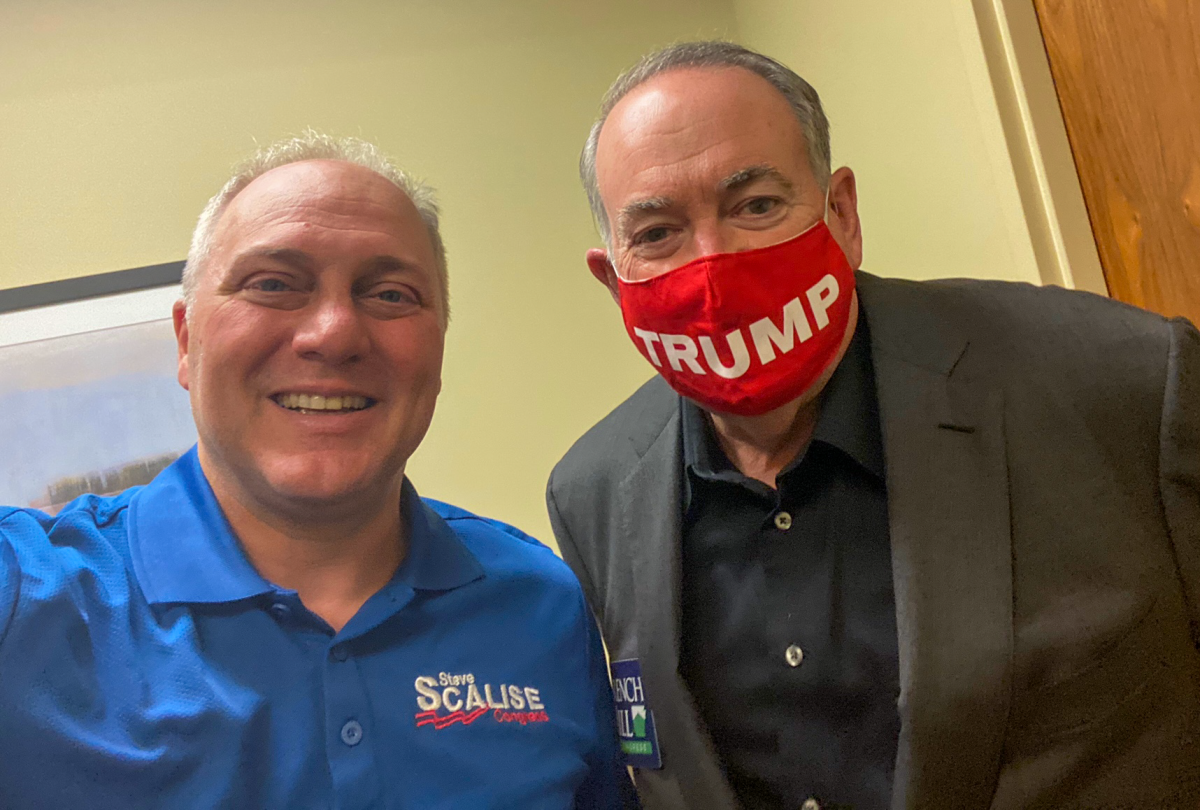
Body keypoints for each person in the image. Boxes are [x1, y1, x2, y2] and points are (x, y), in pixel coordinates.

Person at [547, 41, 1200, 810]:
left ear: (842, 214)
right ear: (612, 279)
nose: (714, 265)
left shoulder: (1123, 381)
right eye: (657, 233)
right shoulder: (593, 493)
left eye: (756, 205)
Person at [0, 132, 635, 809]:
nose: (334, 333)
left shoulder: (539, 601)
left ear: (438, 349)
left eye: (390, 294)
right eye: (273, 285)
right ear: (186, 342)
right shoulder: (27, 596)